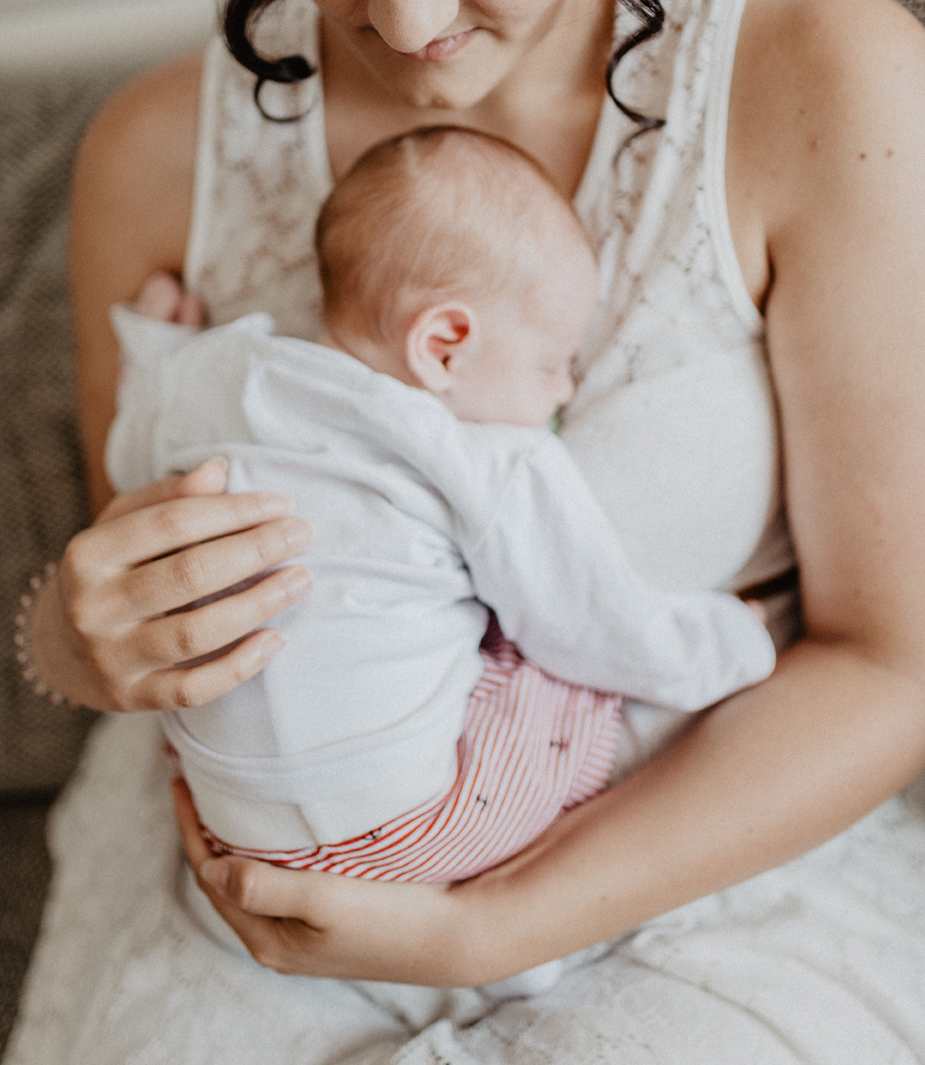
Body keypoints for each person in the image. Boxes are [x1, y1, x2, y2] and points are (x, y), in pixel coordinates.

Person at [9, 0, 925, 1060]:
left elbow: (897, 664)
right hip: (259, 899)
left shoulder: (824, 89)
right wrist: (81, 637)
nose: (407, 14)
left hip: (699, 885)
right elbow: (143, 607)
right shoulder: (152, 155)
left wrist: (497, 925)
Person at [106, 125, 773, 907]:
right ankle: (523, 957)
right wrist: (735, 644)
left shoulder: (223, 377)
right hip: (416, 834)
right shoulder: (485, 460)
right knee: (557, 674)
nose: (562, 392)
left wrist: (156, 342)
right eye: (552, 362)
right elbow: (593, 621)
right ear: (446, 344)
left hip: (231, 828)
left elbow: (132, 453)